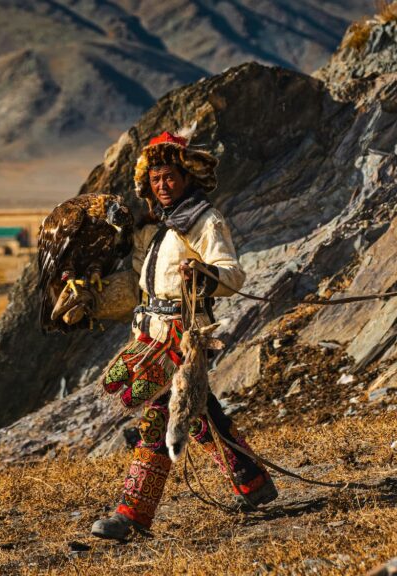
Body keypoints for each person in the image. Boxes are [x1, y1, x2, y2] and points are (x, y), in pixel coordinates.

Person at [58, 132, 278, 541]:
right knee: (196, 412)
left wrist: (204, 274)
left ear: (187, 177)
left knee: (158, 417)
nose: (163, 184)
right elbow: (137, 287)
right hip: (149, 335)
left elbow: (232, 274)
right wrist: (91, 299)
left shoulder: (205, 221)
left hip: (186, 337)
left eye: (170, 176)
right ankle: (252, 481)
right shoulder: (149, 230)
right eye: (156, 178)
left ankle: (132, 513)